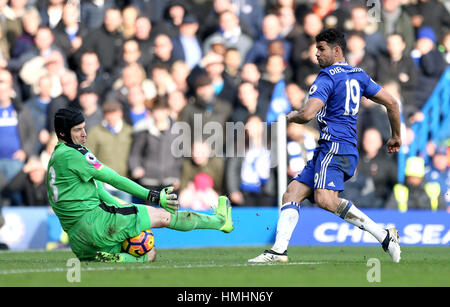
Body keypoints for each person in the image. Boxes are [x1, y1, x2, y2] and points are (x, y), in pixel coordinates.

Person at [248, 29, 403, 264]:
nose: (316, 53)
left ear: (336, 50)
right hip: (337, 148)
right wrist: (396, 136)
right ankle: (278, 251)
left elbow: (308, 113)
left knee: (325, 200)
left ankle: (383, 235)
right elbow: (392, 103)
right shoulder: (359, 75)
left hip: (335, 147)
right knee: (292, 192)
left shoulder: (327, 77)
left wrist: (292, 117)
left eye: (321, 48)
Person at [47, 107, 233, 263]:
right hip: (97, 224)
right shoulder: (76, 154)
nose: (84, 134)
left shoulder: (55, 158)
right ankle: (220, 221)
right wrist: (152, 196)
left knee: (150, 253)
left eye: (84, 128)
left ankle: (122, 258)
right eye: (77, 130)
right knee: (164, 216)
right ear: (63, 133)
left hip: (79, 243)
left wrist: (123, 206)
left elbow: (99, 191)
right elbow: (113, 179)